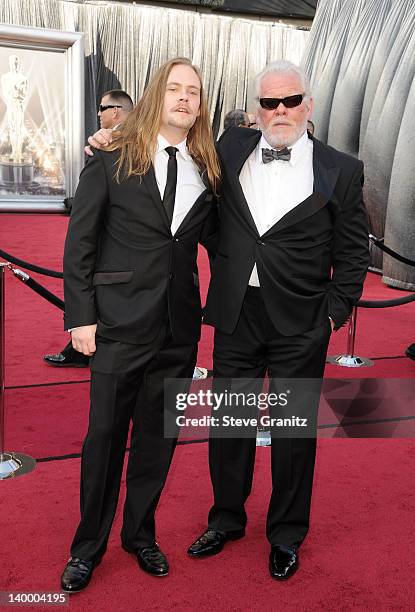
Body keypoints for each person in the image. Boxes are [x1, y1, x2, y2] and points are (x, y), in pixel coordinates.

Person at [187, 60, 369, 580]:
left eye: (291, 100)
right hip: (237, 313)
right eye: (270, 102)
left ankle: (286, 534)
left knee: (293, 436)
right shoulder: (230, 150)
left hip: (302, 321)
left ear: (309, 105)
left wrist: (332, 316)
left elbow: (354, 253)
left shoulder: (343, 169)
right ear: (257, 108)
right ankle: (225, 519)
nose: (281, 110)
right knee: (230, 425)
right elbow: (192, 189)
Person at [60, 57, 219, 592]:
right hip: (117, 325)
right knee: (103, 439)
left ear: (201, 105)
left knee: (159, 440)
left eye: (192, 92)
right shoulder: (112, 156)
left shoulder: (207, 167)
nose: (183, 98)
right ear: (157, 95)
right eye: (174, 89)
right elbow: (80, 241)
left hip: (178, 330)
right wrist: (80, 317)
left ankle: (140, 534)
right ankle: (87, 547)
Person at [43, 90, 134, 368]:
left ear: (117, 111)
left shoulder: (126, 142)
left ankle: (86, 348)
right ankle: (81, 346)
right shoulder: (104, 142)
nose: (98, 113)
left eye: (103, 108)